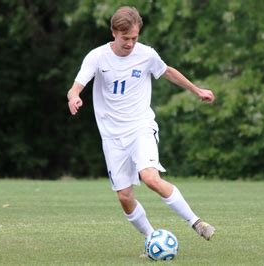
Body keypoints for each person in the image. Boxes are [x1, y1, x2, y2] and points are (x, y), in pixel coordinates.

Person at [67, 6, 216, 255]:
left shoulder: (146, 55)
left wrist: (197, 90)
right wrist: (74, 97)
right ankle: (151, 238)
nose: (130, 43)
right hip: (112, 136)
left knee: (150, 178)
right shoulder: (97, 57)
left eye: (134, 38)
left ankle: (196, 222)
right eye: (126, 38)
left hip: (140, 127)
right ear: (114, 32)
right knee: (125, 197)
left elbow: (167, 71)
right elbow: (76, 87)